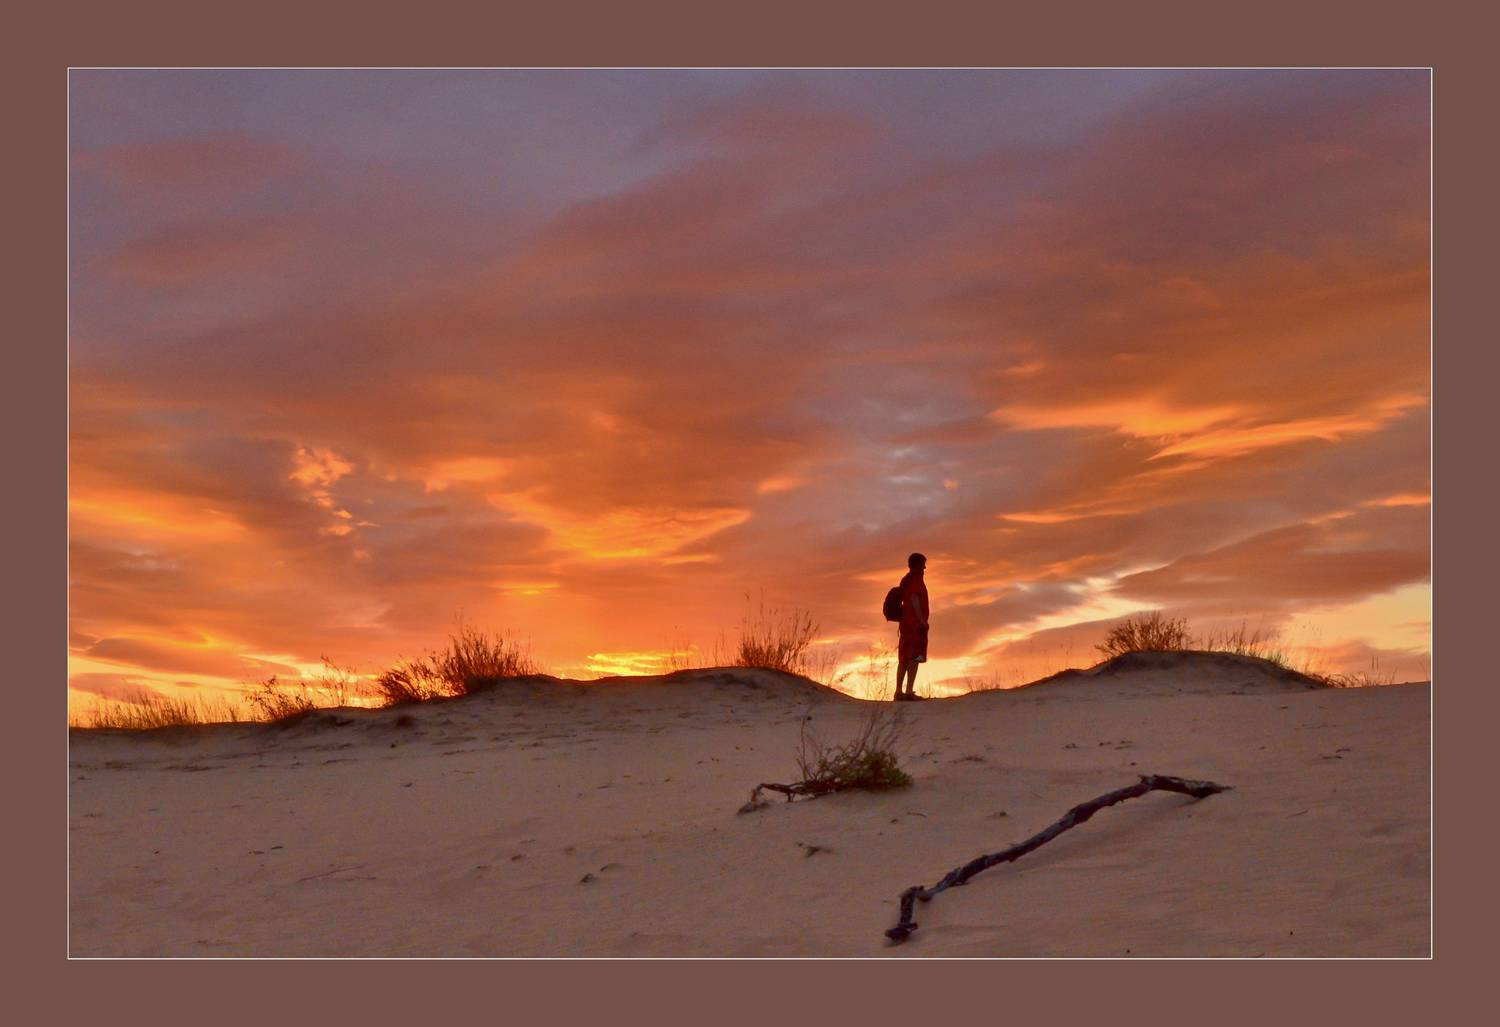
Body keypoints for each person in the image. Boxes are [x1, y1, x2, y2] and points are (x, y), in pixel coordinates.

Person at [894, 552, 929, 701]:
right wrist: (922, 621)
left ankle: (899, 692)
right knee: (914, 657)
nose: (924, 568)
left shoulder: (906, 580)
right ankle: (908, 692)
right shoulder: (915, 580)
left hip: (905, 625)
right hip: (915, 626)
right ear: (917, 565)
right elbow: (914, 599)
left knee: (903, 657)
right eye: (923, 564)